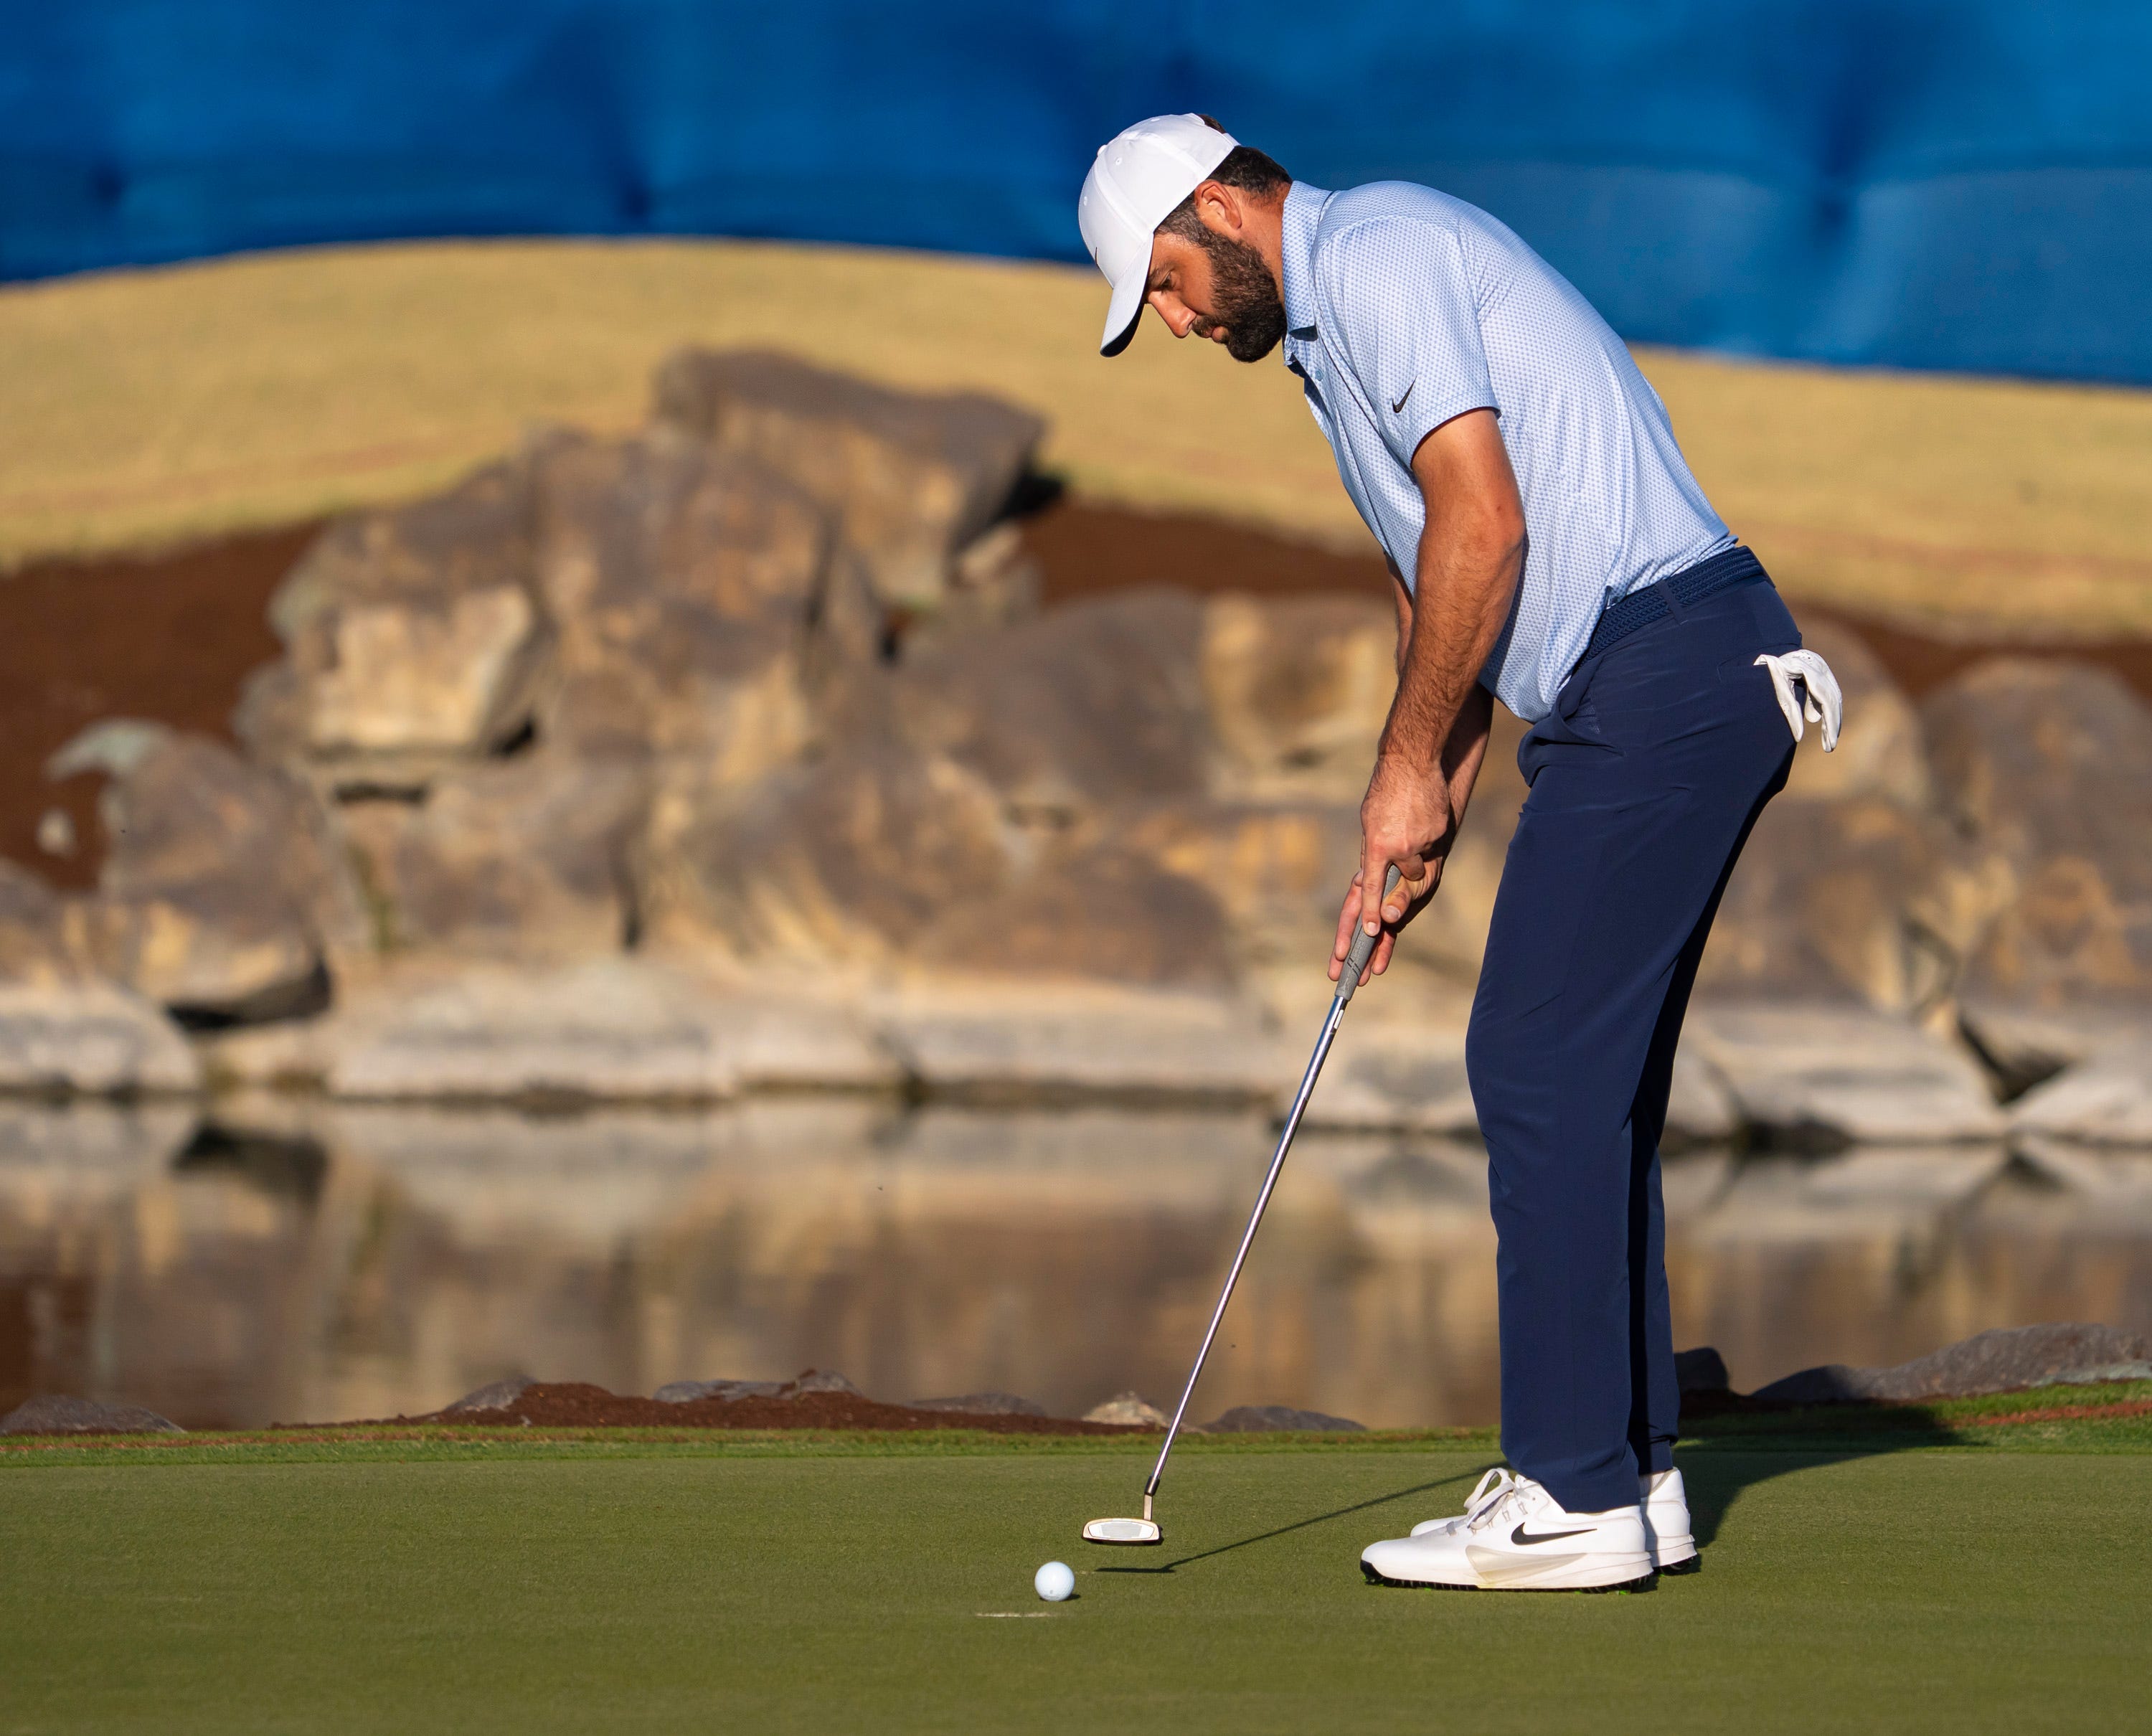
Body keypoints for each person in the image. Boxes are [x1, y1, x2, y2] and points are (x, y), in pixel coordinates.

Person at [1077, 114, 1840, 1592]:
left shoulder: (1374, 254)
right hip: (1666, 675)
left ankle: (1571, 1493)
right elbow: (1457, 608)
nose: (1171, 320)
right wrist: (1426, 811)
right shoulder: (1326, 344)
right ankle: (1634, 1479)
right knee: (1587, 1085)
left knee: (1537, 1066)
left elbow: (1481, 530)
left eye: (1165, 284)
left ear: (1215, 210)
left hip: (1666, 666)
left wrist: (1397, 771)